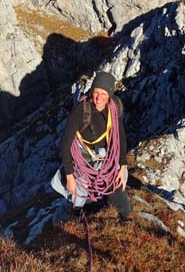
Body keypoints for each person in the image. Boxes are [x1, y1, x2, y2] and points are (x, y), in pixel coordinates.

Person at [51, 71, 132, 221]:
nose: (99, 98)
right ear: (92, 91)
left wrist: (123, 166)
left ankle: (120, 218)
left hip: (104, 162)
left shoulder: (114, 109)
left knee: (124, 207)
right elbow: (66, 144)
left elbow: (120, 138)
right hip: (83, 161)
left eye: (104, 94)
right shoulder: (81, 110)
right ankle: (62, 221)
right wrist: (69, 177)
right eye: (96, 92)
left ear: (110, 95)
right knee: (79, 202)